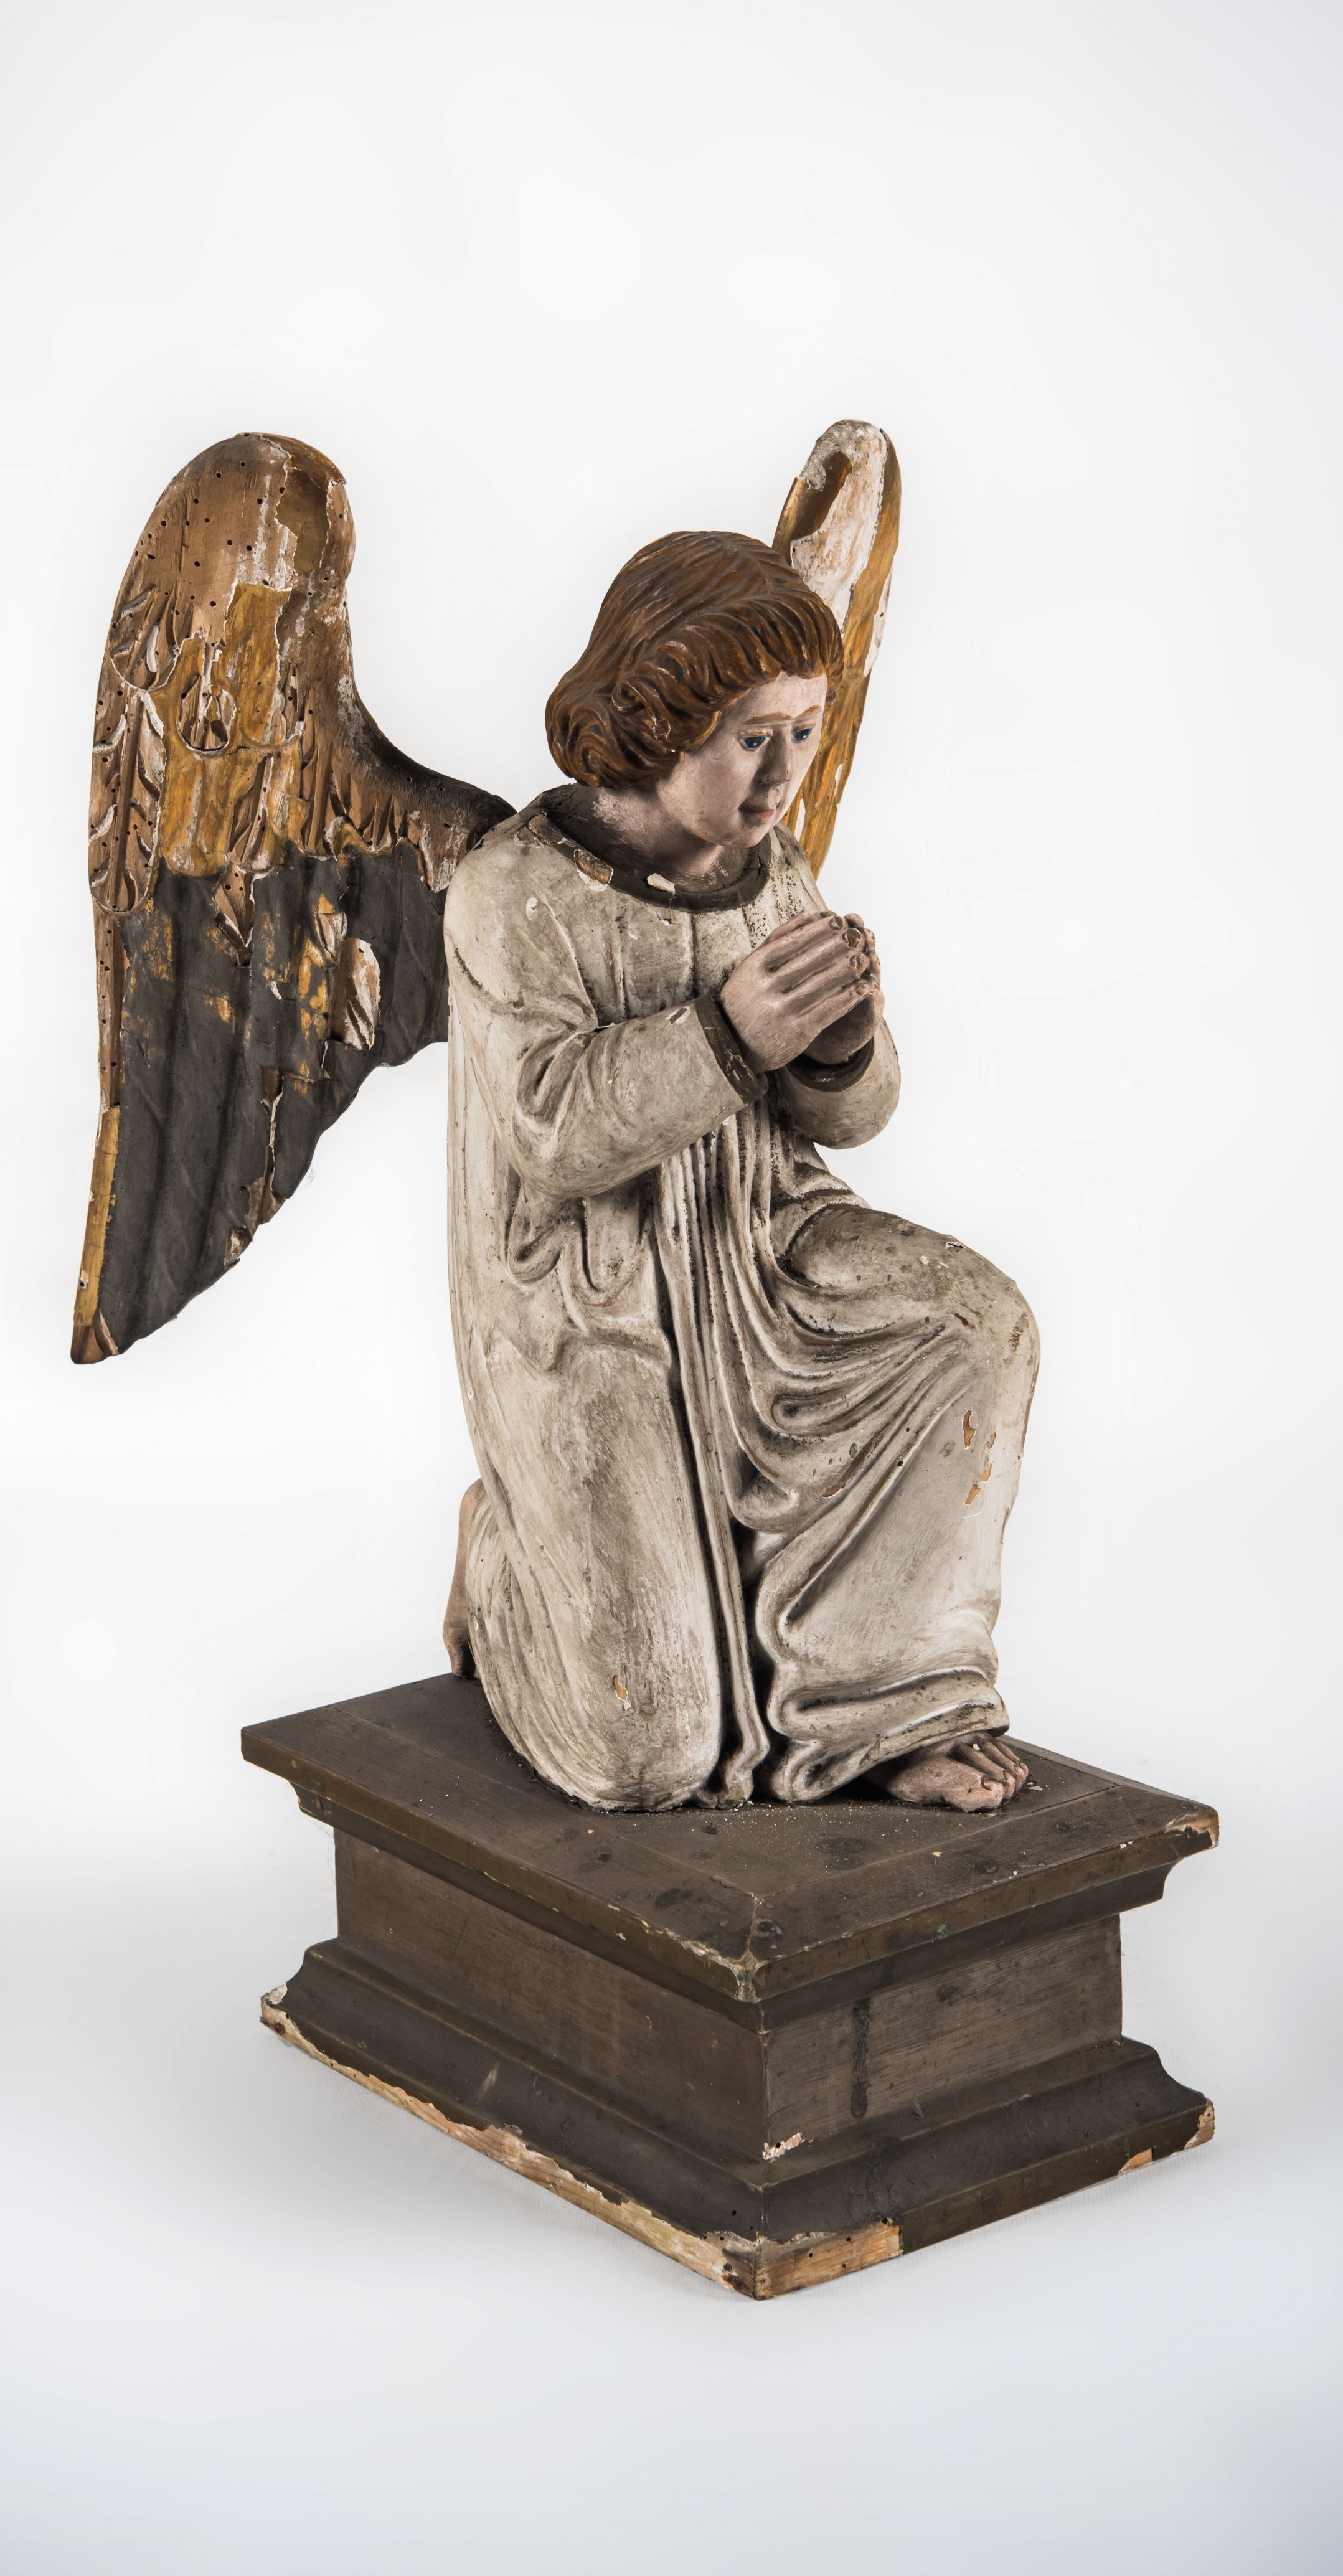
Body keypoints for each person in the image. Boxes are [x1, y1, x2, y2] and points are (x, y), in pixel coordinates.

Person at [438, 530, 1038, 1813]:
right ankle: (506, 1558)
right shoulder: (513, 894)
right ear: (659, 719)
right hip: (592, 1300)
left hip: (763, 1237)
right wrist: (726, 1034)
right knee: (644, 1753)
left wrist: (843, 1047)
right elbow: (551, 1130)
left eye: (805, 734)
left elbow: (848, 1121)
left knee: (974, 1326)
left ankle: (881, 1706)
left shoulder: (776, 875)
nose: (785, 773)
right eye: (752, 737)